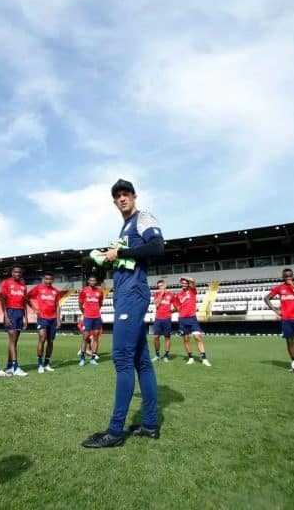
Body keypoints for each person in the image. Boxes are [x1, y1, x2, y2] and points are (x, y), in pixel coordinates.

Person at [82, 179, 164, 448]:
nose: (122, 198)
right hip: (125, 297)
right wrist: (110, 257)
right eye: (117, 196)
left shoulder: (143, 217)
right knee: (142, 362)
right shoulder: (125, 226)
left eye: (126, 194)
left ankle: (115, 432)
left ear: (134, 196)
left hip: (133, 297)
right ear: (114, 201)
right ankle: (150, 424)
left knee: (122, 359)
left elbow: (157, 246)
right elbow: (129, 257)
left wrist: (122, 251)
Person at [27, 272, 61, 374]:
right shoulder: (38, 288)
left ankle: (46, 364)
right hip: (42, 318)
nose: (48, 281)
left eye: (50, 279)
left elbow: (57, 306)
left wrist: (59, 319)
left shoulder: (56, 291)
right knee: (42, 339)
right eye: (46, 279)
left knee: (50, 341)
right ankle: (40, 364)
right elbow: (27, 297)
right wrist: (34, 308)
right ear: (43, 279)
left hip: (53, 318)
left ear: (53, 280)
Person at [0, 265, 28, 376]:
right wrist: (5, 316)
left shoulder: (23, 285)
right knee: (12, 340)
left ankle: (9, 366)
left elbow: (24, 302)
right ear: (12, 273)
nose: (18, 274)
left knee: (14, 341)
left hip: (20, 313)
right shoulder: (6, 283)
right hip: (10, 312)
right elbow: (2, 300)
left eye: (19, 272)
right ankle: (16, 367)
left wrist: (26, 318)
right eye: (15, 272)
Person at [176, 276, 211, 366]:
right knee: (186, 339)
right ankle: (190, 358)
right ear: (180, 284)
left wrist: (183, 277)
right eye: (182, 283)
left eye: (185, 283)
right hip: (182, 319)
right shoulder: (178, 295)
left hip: (192, 318)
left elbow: (193, 280)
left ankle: (204, 358)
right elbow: (177, 306)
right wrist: (179, 310)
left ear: (188, 284)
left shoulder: (192, 290)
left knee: (197, 337)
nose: (184, 284)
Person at [78, 275, 103, 366]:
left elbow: (100, 304)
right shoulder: (84, 291)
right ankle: (82, 358)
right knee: (85, 337)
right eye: (91, 280)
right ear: (88, 281)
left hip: (97, 317)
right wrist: (85, 313)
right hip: (87, 317)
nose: (92, 282)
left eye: (94, 281)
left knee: (96, 338)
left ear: (96, 282)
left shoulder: (100, 291)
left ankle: (93, 358)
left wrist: (95, 311)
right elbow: (80, 304)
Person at [151, 280, 175, 362]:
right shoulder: (156, 294)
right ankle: (157, 355)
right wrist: (161, 294)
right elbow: (157, 304)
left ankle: (166, 356)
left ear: (165, 285)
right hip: (158, 318)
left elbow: (176, 305)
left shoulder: (171, 295)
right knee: (155, 337)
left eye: (161, 285)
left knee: (167, 337)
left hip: (167, 318)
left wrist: (173, 310)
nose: (160, 287)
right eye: (159, 286)